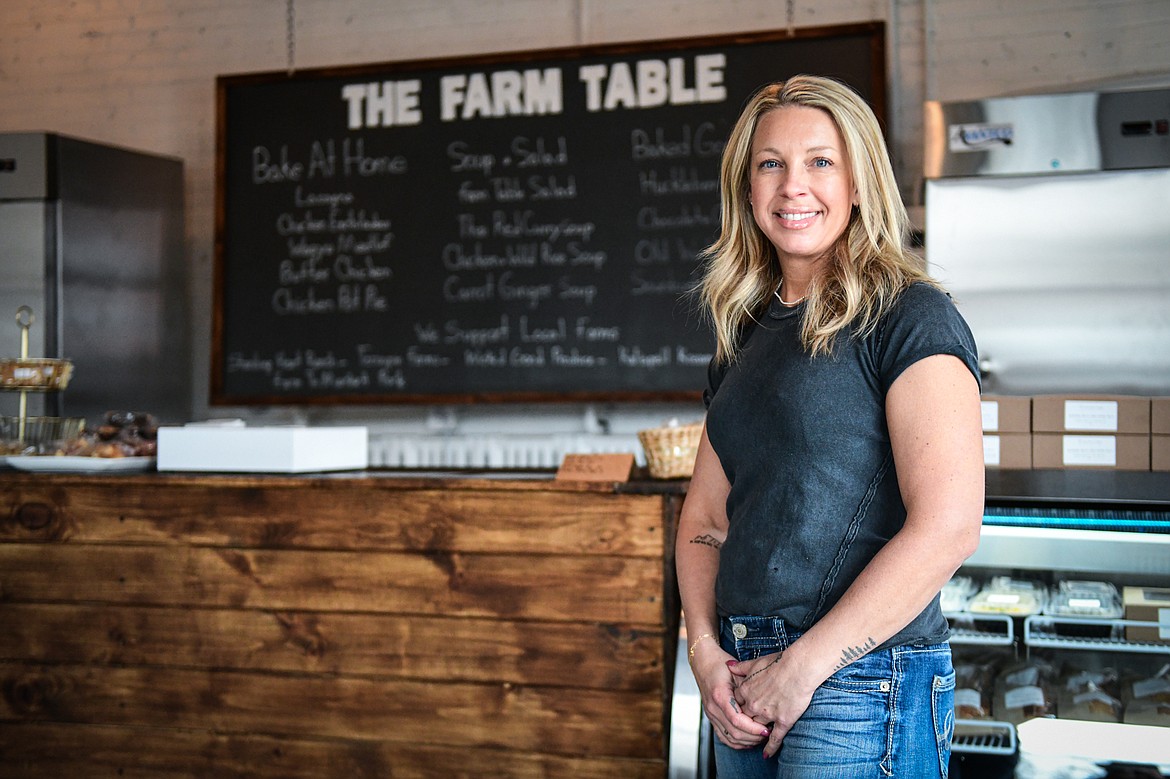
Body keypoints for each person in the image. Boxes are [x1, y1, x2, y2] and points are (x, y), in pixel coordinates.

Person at [675, 74, 985, 778]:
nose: (793, 186)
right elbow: (704, 515)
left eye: (821, 161)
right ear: (747, 187)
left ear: (857, 182)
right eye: (771, 164)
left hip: (859, 682)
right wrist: (703, 649)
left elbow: (949, 525)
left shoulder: (911, 317)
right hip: (743, 677)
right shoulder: (744, 335)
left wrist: (805, 665)